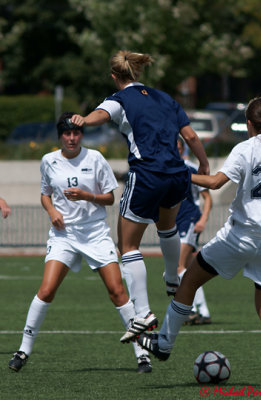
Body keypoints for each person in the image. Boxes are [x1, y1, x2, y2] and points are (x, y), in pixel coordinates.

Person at [133, 95, 261, 388]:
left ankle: (164, 345)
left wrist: (179, 172)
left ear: (249, 124)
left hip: (240, 237)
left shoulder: (245, 149)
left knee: (189, 282)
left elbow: (215, 182)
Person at [70, 50, 209, 343]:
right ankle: (173, 278)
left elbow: (101, 114)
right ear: (138, 72)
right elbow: (192, 137)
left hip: (148, 174)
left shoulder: (119, 99)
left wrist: (84, 119)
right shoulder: (165, 98)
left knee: (128, 245)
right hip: (177, 173)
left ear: (114, 76)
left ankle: (143, 312)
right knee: (167, 228)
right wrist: (205, 164)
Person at [8, 112, 152, 374]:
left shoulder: (95, 158)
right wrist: (52, 212)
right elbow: (45, 195)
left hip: (95, 234)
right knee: (47, 289)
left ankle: (142, 354)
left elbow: (110, 198)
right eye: (67, 133)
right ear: (60, 136)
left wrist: (87, 195)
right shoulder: (48, 161)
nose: (71, 138)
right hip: (64, 236)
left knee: (117, 291)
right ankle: (23, 350)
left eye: (76, 133)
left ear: (81, 135)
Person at [176, 138, 212, 325]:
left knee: (178, 267)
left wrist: (203, 219)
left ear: (182, 150)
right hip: (174, 223)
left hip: (189, 220)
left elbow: (207, 197)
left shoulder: (188, 168)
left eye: (177, 147)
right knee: (189, 271)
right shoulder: (164, 169)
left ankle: (188, 310)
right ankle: (203, 311)